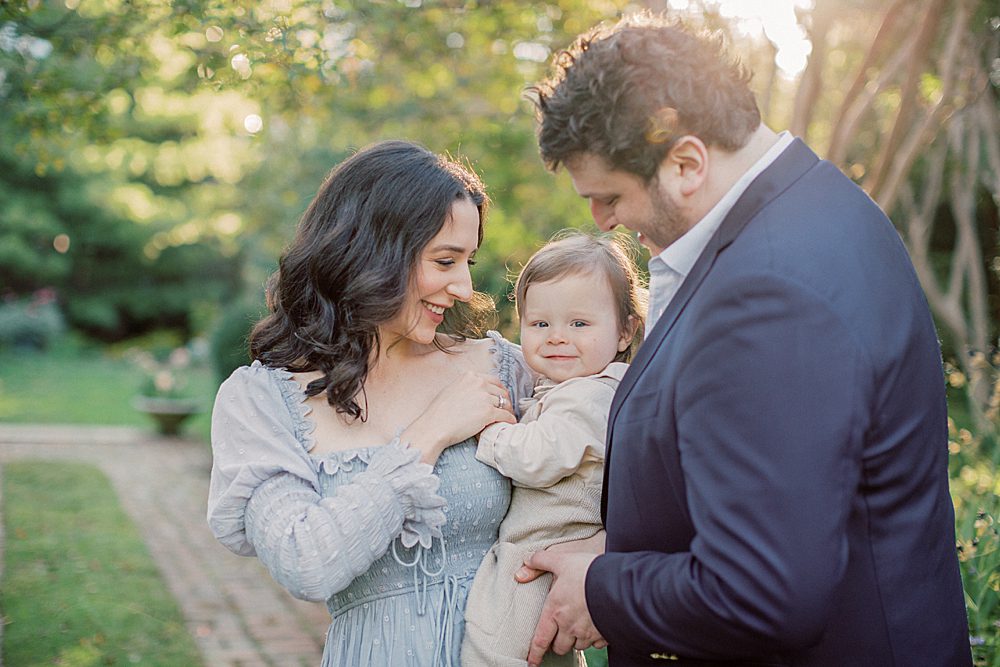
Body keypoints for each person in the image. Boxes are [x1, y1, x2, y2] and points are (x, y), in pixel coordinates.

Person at [519, 13, 972, 667]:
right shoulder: (819, 204)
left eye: (610, 194)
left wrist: (602, 588)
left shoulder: (767, 291)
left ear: (686, 162)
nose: (602, 218)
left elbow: (763, 591)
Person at [206, 140, 538, 667]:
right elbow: (307, 563)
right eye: (445, 261)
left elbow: (600, 474)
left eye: (468, 260)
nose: (465, 286)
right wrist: (429, 435)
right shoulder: (262, 401)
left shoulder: (506, 368)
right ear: (370, 253)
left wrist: (584, 556)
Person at [461, 232, 644, 667]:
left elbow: (534, 459)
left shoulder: (592, 397)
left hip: (543, 550)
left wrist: (490, 429)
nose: (557, 337)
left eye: (579, 324)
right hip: (542, 551)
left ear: (624, 331)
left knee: (496, 650)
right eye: (540, 324)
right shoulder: (570, 389)